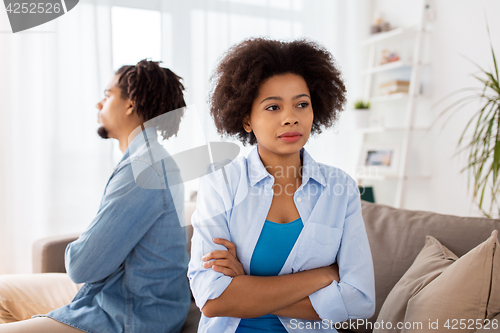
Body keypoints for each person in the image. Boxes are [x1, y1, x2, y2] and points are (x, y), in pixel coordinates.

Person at [188, 38, 376, 333]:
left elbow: (360, 301)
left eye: (302, 104)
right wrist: (323, 276)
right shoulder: (220, 183)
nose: (291, 118)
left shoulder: (340, 187)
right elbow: (211, 298)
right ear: (247, 119)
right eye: (273, 107)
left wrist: (245, 290)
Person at [0, 59, 191, 333]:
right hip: (112, 294)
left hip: (128, 314)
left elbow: (81, 266)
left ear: (130, 103)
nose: (98, 104)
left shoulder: (144, 168)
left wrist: (85, 247)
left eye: (107, 95)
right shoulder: (145, 158)